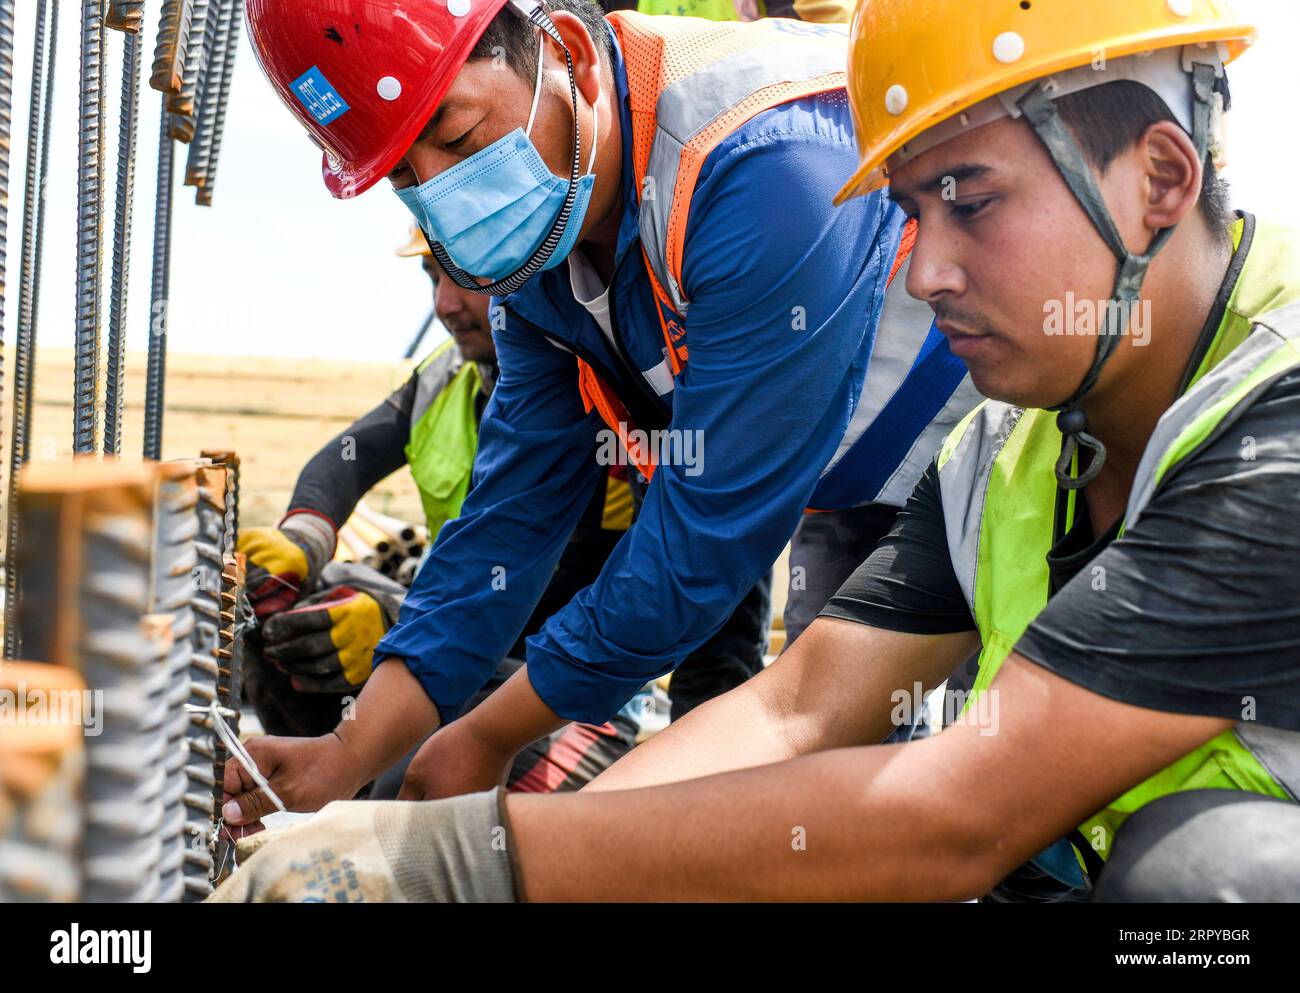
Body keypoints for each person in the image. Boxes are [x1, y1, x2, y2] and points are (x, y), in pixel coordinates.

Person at [215, 0, 1300, 903]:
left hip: (1193, 873)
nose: (917, 275)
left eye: (969, 201)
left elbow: (961, 810)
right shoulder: (1002, 452)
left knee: (1201, 885)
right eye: (910, 212)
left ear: (1160, 178)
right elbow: (798, 712)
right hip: (1064, 825)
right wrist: (539, 832)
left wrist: (469, 858)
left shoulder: (1279, 427)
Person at [227, 0, 977, 818]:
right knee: (839, 812)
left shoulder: (767, 161)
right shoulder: (542, 244)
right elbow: (512, 512)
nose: (448, 197)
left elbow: (703, 536)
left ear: (572, 58)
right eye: (405, 177)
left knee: (990, 796)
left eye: (459, 135)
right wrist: (348, 752)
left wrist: (483, 737)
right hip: (859, 496)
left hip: (1005, 460)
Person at [239, 231, 770, 792]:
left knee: (407, 806)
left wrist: (705, 779)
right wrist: (302, 541)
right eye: (431, 278)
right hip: (458, 647)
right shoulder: (446, 376)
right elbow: (344, 463)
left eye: (460, 273)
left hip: (566, 690)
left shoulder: (605, 381)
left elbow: (697, 579)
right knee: (294, 610)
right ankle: (316, 792)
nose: (444, 303)